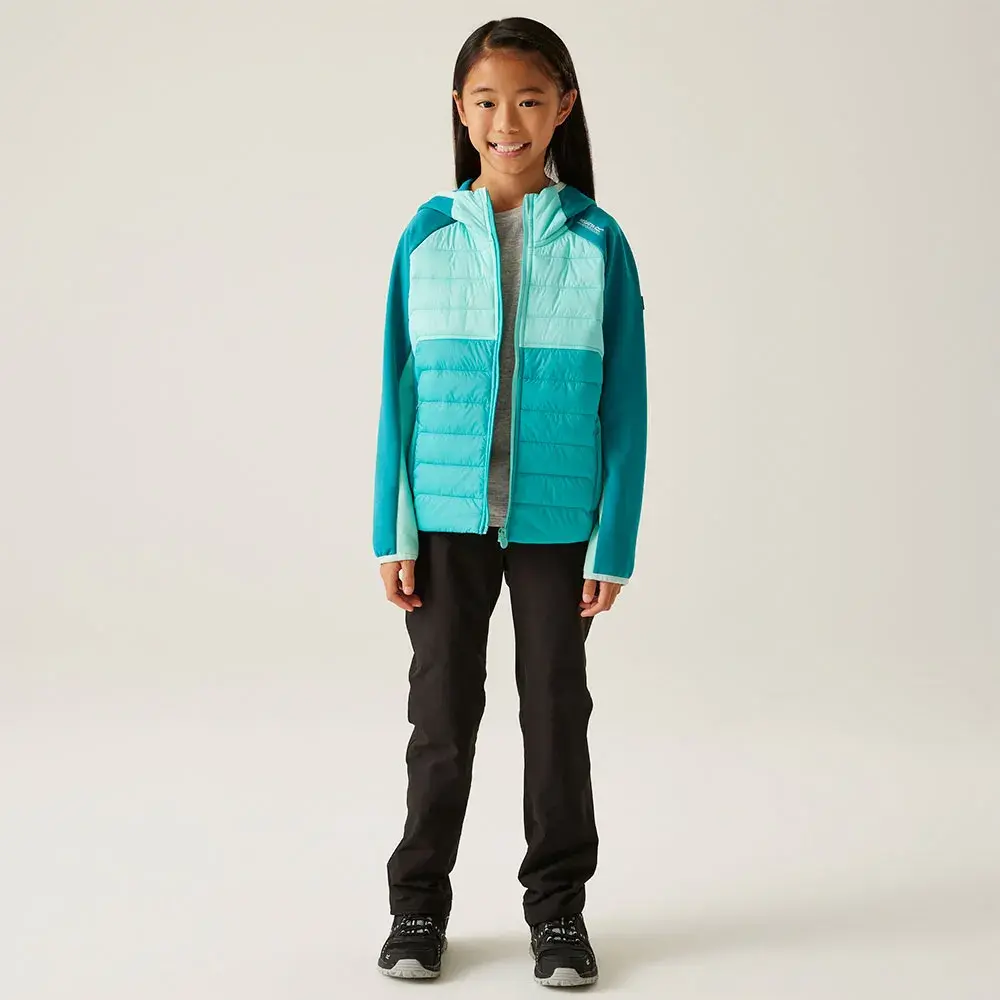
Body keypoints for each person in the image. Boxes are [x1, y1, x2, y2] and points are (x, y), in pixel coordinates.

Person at [371, 16, 647, 988]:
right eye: (486, 101)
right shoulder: (426, 236)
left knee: (555, 713)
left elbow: (626, 403)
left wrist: (613, 541)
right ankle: (416, 906)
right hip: (445, 521)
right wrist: (392, 530)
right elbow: (395, 393)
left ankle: (558, 914)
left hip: (555, 522)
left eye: (528, 100)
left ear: (563, 107)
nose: (507, 121)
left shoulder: (598, 240)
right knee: (441, 718)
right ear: (460, 109)